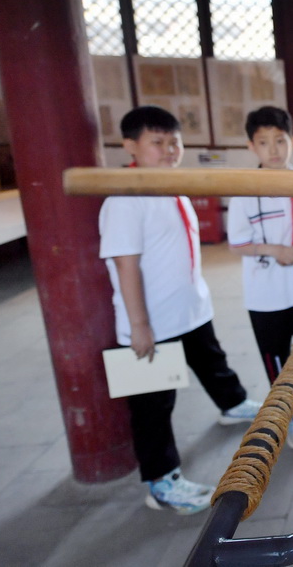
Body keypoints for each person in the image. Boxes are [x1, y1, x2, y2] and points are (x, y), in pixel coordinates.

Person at [99, 106, 262, 515]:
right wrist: (139, 325)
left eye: (175, 141)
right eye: (158, 142)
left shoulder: (172, 184)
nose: (170, 149)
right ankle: (162, 482)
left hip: (188, 308)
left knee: (212, 360)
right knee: (154, 406)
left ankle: (232, 403)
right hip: (149, 323)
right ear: (130, 145)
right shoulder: (125, 197)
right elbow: (125, 263)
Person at [226, 106, 293, 450]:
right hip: (264, 293)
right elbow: (238, 243)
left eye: (280, 140)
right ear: (251, 146)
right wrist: (275, 250)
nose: (273, 149)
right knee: (276, 358)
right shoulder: (244, 188)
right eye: (263, 142)